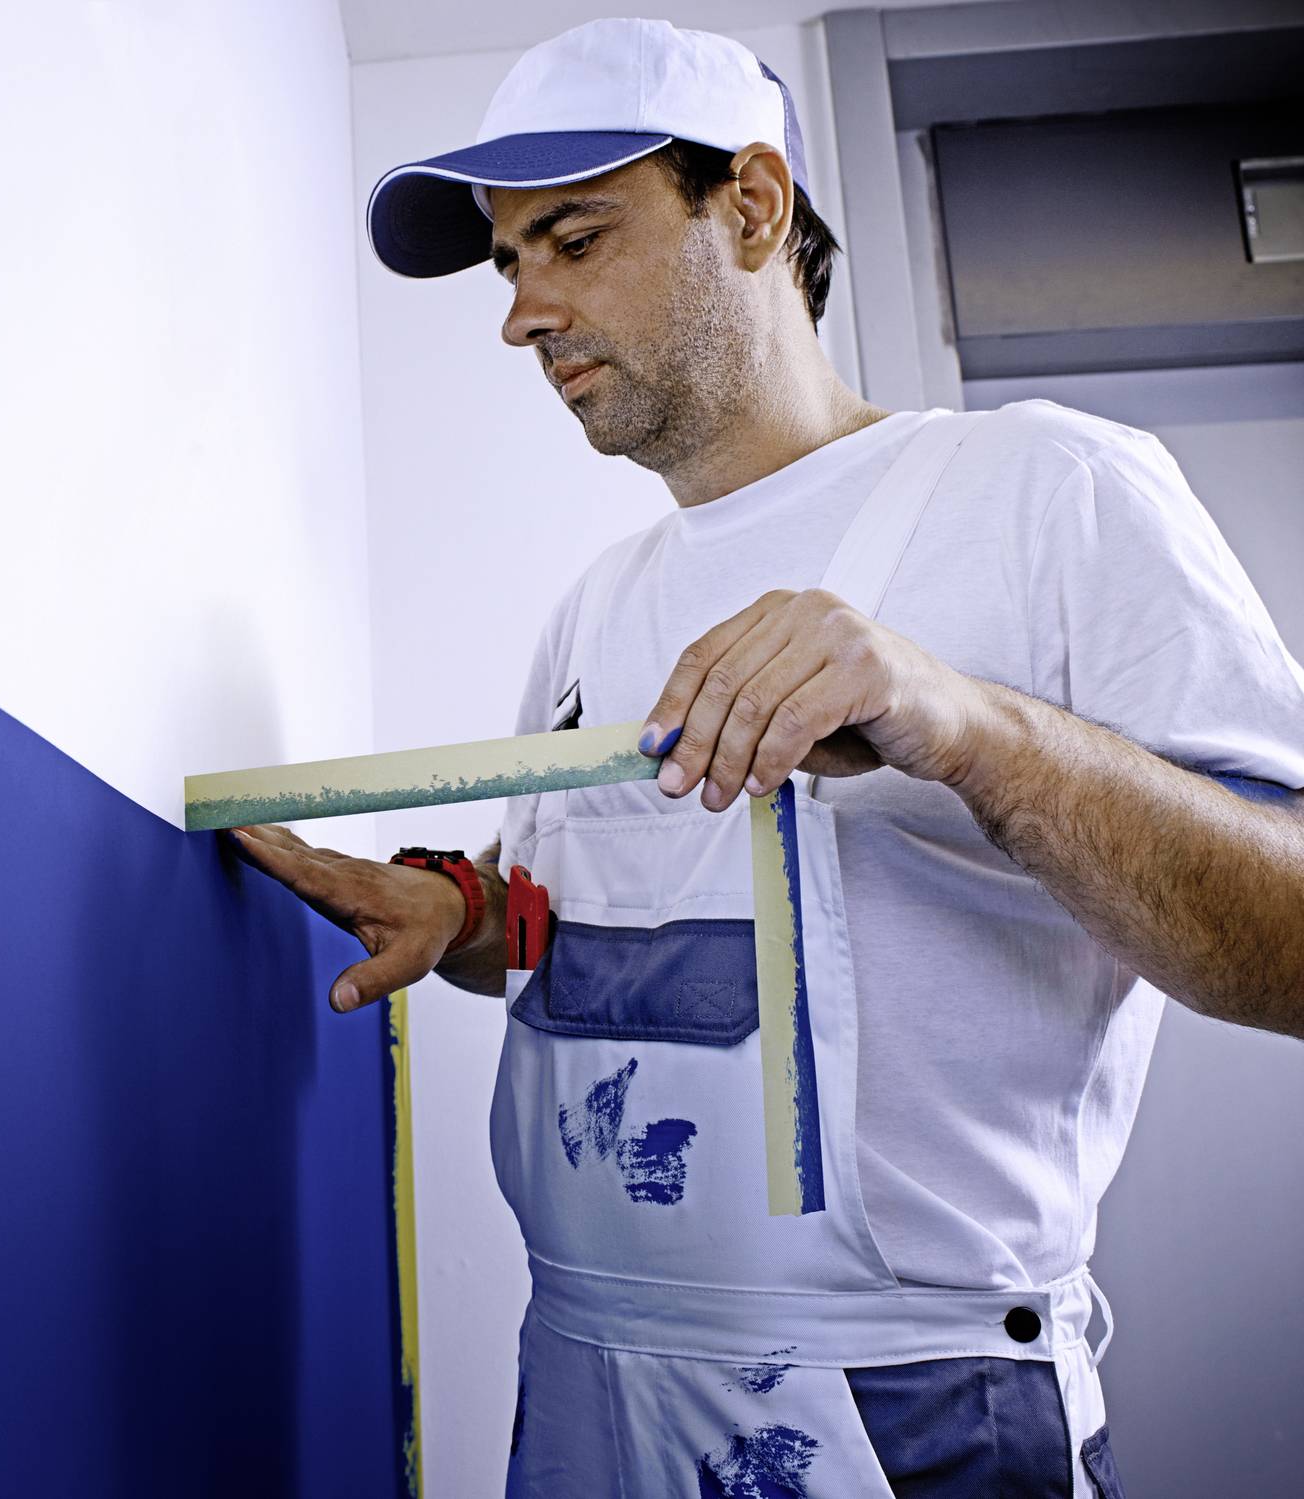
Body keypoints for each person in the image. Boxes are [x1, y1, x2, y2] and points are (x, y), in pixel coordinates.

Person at [229, 16, 1304, 1497]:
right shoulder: (596, 607)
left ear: (753, 205)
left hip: (909, 1404)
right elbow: (594, 933)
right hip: (588, 1386)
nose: (522, 313)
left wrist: (968, 724)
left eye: (574, 238)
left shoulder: (1045, 492)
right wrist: (474, 920)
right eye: (507, 263)